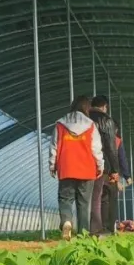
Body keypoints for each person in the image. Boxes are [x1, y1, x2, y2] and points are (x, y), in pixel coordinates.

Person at [49, 95, 103, 240]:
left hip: (66, 167)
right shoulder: (91, 125)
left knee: (65, 198)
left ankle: (66, 221)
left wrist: (52, 164)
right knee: (84, 203)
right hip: (87, 169)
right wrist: (100, 166)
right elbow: (96, 149)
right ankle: (83, 234)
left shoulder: (60, 124)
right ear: (87, 108)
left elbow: (54, 146)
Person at [87, 95, 120, 235]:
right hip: (101, 164)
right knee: (102, 197)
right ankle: (101, 230)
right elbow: (110, 147)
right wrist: (114, 169)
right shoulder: (106, 121)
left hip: (83, 162)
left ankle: (87, 228)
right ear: (104, 106)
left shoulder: (84, 119)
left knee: (86, 198)